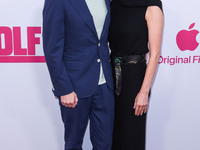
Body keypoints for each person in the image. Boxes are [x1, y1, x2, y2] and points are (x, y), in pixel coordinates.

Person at [42, 0, 114, 149]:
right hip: (75, 85)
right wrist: (64, 89)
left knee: (105, 144)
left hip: (104, 83)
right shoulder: (57, 2)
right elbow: (52, 51)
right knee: (73, 144)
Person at [108, 0, 163, 149]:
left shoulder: (152, 6)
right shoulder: (113, 4)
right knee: (113, 134)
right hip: (110, 76)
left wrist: (144, 92)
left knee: (131, 134)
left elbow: (155, 54)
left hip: (135, 80)